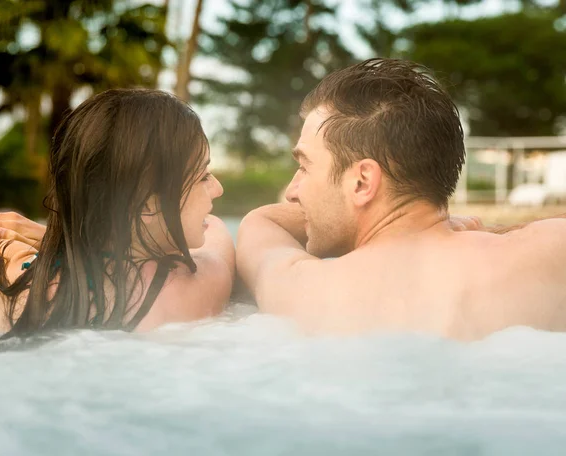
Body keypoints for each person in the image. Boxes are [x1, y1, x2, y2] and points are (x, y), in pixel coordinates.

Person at [234, 58, 566, 340]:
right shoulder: (549, 253)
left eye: (304, 167)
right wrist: (487, 230)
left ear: (363, 182)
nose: (293, 191)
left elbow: (260, 222)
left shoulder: (311, 292)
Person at [0, 88, 235, 336]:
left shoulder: (27, 289)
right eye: (203, 176)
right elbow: (215, 232)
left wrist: (55, 241)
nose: (218, 189)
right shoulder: (189, 290)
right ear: (146, 204)